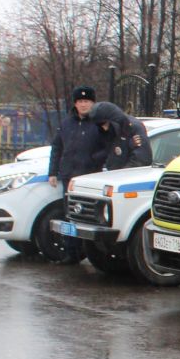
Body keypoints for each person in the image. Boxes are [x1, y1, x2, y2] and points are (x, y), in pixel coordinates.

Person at [47, 85, 111, 262]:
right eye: (80, 101)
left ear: (93, 103)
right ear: (75, 104)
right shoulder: (67, 123)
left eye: (87, 101)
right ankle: (71, 253)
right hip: (69, 176)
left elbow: (108, 147)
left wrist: (94, 159)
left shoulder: (99, 124)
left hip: (90, 177)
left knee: (89, 217)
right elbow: (57, 147)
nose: (83, 105)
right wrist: (52, 172)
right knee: (69, 215)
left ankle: (93, 253)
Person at [89, 101, 151, 169]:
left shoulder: (132, 128)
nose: (103, 127)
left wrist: (119, 175)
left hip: (128, 176)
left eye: (102, 124)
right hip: (107, 176)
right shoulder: (105, 132)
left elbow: (141, 160)